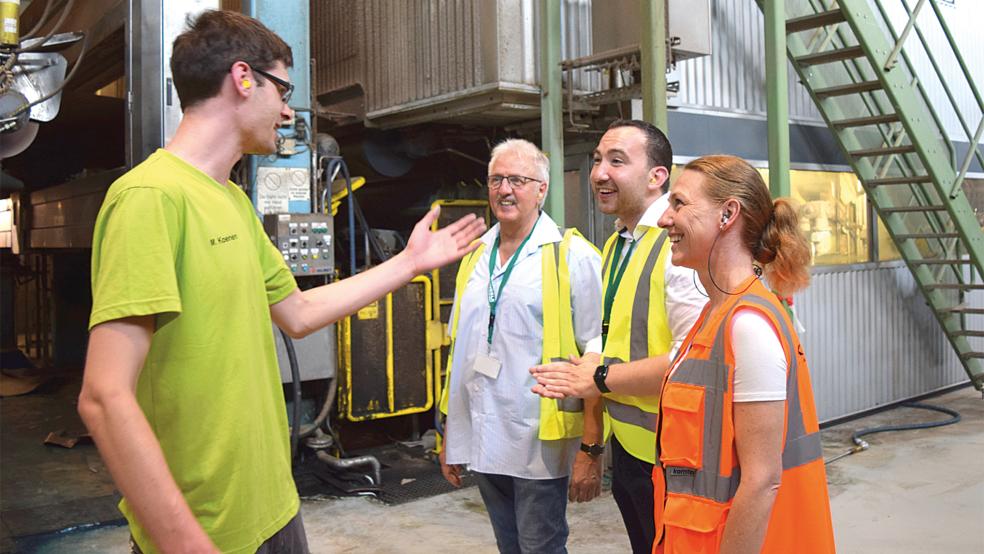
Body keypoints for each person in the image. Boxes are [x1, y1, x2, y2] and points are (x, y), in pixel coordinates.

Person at [77, 10, 485, 554]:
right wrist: (185, 544)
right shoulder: (150, 199)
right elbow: (104, 397)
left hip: (270, 506)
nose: (290, 110)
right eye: (284, 88)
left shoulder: (232, 200)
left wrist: (406, 265)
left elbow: (297, 312)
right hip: (206, 530)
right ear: (244, 79)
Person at [535, 154, 835, 553]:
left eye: (679, 204)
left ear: (727, 214)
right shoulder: (714, 314)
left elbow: (762, 480)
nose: (664, 219)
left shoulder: (747, 325)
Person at [532, 119, 705, 553]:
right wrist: (592, 444)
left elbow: (695, 361)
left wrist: (600, 378)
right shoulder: (616, 245)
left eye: (616, 161)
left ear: (656, 176)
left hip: (677, 455)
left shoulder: (675, 246)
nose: (598, 173)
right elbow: (604, 345)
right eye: (596, 161)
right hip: (630, 450)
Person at [437, 138, 603, 553]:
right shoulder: (476, 255)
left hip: (537, 437)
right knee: (508, 546)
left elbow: (597, 354)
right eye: (496, 180)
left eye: (517, 180)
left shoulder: (572, 255)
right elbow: (462, 351)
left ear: (541, 189)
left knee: (540, 545)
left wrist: (591, 447)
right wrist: (450, 432)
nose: (505, 190)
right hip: (482, 429)